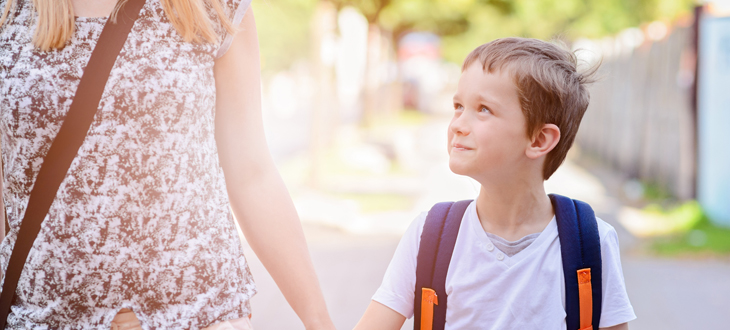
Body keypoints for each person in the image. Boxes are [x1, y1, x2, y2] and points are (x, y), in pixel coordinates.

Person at [0, 0, 336, 329]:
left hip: (199, 316)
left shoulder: (211, 7)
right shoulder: (9, 14)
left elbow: (251, 173)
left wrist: (318, 322)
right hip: (43, 319)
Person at [354, 38, 636, 330]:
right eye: (458, 106)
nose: (458, 124)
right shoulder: (430, 237)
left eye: (483, 109)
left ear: (539, 140)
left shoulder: (589, 244)